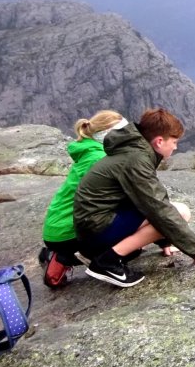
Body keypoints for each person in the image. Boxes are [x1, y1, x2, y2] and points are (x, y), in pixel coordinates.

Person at [73, 107, 195, 287]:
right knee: (180, 212)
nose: (175, 147)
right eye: (174, 141)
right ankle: (107, 262)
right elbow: (159, 209)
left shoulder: (133, 151)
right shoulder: (136, 160)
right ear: (159, 141)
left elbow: (142, 202)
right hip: (96, 232)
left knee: (171, 212)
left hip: (94, 226)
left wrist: (165, 240)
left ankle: (108, 255)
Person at [38, 110, 128, 288]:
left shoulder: (92, 152)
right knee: (130, 244)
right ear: (108, 135)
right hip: (69, 232)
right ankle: (64, 257)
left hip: (56, 229)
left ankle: (57, 253)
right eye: (123, 133)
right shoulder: (101, 158)